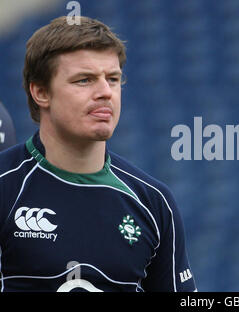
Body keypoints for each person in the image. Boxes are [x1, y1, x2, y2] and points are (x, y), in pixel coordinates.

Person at [0, 16, 196, 292]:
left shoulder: (154, 203)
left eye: (113, 79)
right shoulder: (5, 186)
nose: (105, 92)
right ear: (41, 92)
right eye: (84, 80)